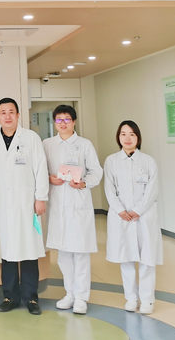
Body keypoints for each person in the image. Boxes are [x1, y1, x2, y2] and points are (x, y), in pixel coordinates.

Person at [0, 98, 49, 315]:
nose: (7, 116)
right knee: (8, 250)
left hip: (27, 201)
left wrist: (41, 197)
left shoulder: (30, 138)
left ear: (18, 115)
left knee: (29, 250)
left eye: (11, 112)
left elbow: (41, 167)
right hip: (2, 202)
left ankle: (31, 298)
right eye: (3, 112)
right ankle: (10, 296)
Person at [43, 105, 102, 315]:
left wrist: (84, 183)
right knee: (63, 254)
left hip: (78, 203)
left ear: (74, 122)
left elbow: (96, 171)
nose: (63, 123)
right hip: (57, 203)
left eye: (67, 119)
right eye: (59, 120)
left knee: (80, 253)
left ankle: (81, 297)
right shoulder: (47, 144)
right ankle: (69, 293)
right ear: (54, 122)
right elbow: (40, 170)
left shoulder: (84, 144)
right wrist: (49, 178)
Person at [104, 120, 163, 315]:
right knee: (126, 259)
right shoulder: (111, 161)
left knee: (147, 259)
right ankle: (131, 298)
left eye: (132, 134)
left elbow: (151, 190)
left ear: (138, 137)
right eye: (123, 134)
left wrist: (138, 210)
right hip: (121, 217)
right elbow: (109, 188)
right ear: (118, 137)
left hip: (144, 216)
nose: (127, 138)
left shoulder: (148, 161)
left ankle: (147, 300)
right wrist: (120, 210)